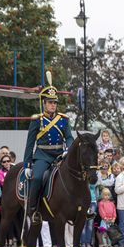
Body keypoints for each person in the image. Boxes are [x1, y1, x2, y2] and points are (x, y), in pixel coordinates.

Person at [23, 77, 74, 224]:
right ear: (44, 103)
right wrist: (27, 164)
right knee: (37, 177)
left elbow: (69, 138)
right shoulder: (36, 120)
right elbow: (29, 144)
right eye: (50, 102)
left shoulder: (63, 120)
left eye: (55, 102)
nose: (53, 105)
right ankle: (33, 209)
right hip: (43, 156)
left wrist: (68, 150)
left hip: (60, 155)